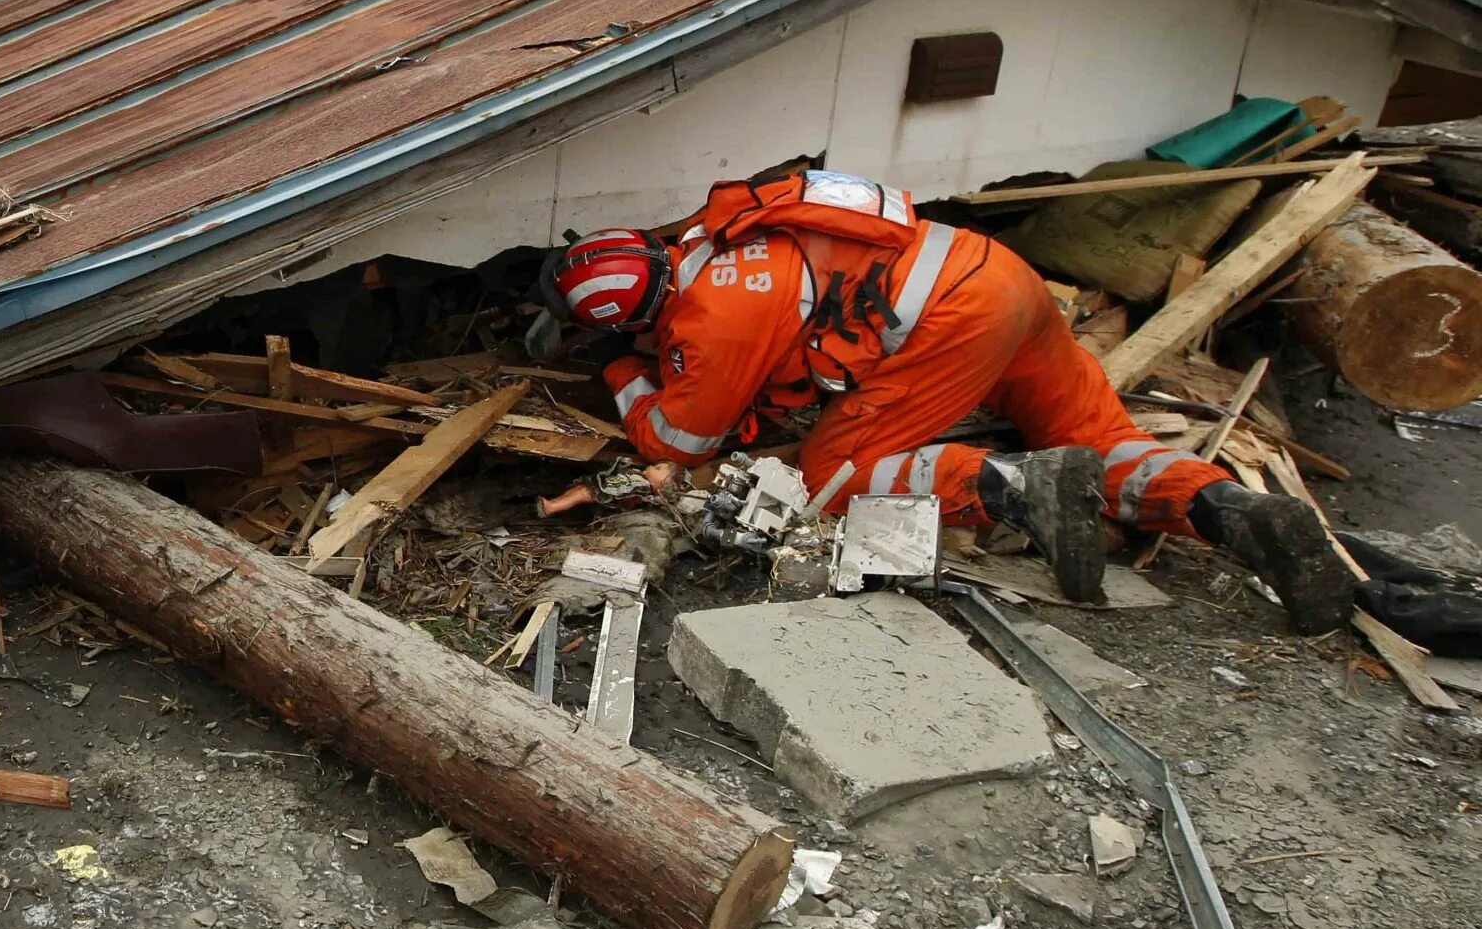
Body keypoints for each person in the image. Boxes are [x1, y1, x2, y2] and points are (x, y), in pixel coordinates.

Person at [545, 166, 1350, 633]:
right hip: (995, 275)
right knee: (1097, 433)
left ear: (628, 318)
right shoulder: (718, 235)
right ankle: (1227, 510)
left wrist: (623, 370)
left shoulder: (710, 320)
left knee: (832, 472)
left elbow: (675, 445)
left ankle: (1016, 488)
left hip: (947, 323)